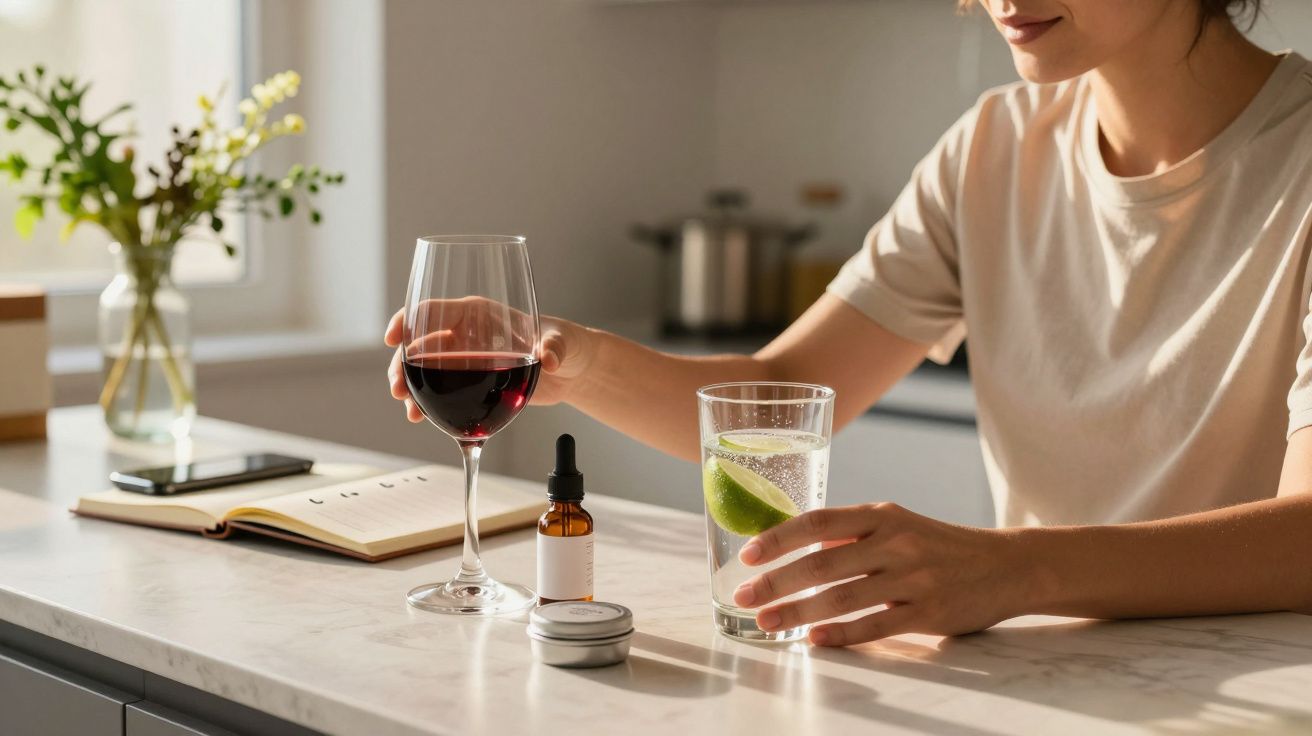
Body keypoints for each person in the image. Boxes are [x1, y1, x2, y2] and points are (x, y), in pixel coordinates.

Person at [386, 0, 1312, 646]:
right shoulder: (992, 148)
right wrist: (573, 359)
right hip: (1041, 683)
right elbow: (775, 397)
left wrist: (1013, 571)